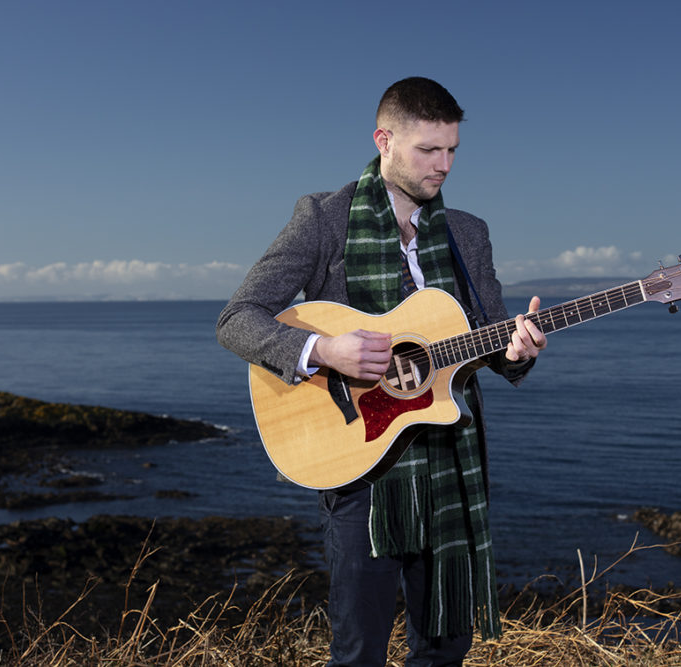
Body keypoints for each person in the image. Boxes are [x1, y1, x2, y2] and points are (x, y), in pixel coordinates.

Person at [216, 76, 547, 666]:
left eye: (452, 151)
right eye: (428, 150)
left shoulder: (469, 234)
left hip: (450, 463)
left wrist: (516, 352)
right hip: (358, 464)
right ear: (383, 140)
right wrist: (323, 351)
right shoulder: (323, 218)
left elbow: (489, 341)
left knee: (446, 649)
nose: (444, 165)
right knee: (359, 653)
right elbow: (238, 318)